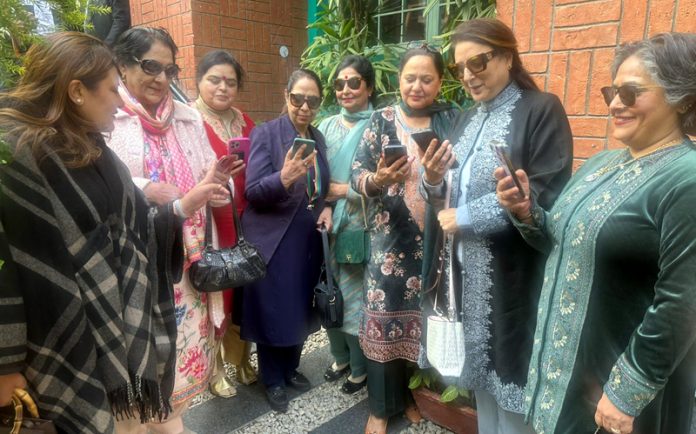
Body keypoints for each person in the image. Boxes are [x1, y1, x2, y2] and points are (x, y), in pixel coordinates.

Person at [0, 32, 227, 433]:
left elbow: (135, 227)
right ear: (75, 91)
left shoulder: (93, 148)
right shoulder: (16, 157)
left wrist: (180, 208)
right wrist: (6, 364)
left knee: (135, 421)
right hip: (58, 338)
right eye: (110, 89)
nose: (121, 102)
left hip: (116, 330)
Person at [496, 32, 696, 434]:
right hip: (566, 372)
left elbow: (682, 302)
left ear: (682, 98)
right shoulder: (601, 163)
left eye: (630, 91)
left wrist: (627, 392)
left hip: (618, 390)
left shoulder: (686, 179)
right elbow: (562, 242)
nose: (615, 103)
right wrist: (527, 212)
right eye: (611, 91)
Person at [419, 18, 573, 433]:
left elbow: (545, 193)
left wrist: (466, 218)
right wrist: (431, 178)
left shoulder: (541, 110)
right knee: (483, 387)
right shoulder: (467, 119)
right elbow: (444, 192)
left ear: (507, 55)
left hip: (513, 278)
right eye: (459, 68)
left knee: (513, 385)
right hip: (464, 277)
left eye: (479, 62)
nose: (469, 75)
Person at [107, 26, 242, 433]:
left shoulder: (187, 118)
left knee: (176, 376)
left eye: (170, 69)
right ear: (123, 66)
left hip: (186, 268)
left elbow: (209, 177)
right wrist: (147, 188)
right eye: (151, 67)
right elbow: (100, 187)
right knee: (135, 381)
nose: (162, 79)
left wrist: (219, 186)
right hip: (133, 270)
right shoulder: (107, 117)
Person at [350, 46, 457, 434]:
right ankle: (379, 408)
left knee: (422, 324)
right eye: (410, 77)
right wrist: (379, 180)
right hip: (389, 247)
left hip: (435, 246)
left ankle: (409, 395)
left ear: (440, 82)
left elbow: (463, 174)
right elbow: (357, 175)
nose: (417, 85)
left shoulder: (451, 121)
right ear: (398, 79)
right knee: (383, 322)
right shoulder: (381, 119)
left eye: (427, 78)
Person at [240, 68, 332, 413]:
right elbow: (252, 191)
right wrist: (282, 178)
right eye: (298, 99)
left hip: (308, 238)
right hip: (275, 239)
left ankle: (291, 367)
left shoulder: (318, 138)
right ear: (286, 96)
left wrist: (328, 207)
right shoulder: (266, 134)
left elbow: (322, 185)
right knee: (274, 309)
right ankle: (273, 378)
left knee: (299, 307)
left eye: (312, 101)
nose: (304, 107)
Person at [193, 49, 258, 397]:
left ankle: (242, 358)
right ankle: (214, 367)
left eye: (230, 82)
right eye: (214, 80)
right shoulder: (188, 120)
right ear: (199, 81)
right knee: (219, 294)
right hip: (211, 223)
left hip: (248, 219)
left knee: (246, 292)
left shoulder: (245, 120)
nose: (223, 88)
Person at [317, 55, 375, 394]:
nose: (346, 89)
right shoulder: (325, 126)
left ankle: (359, 367)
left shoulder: (380, 124)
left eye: (354, 82)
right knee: (328, 295)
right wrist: (324, 201)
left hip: (360, 225)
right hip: (326, 225)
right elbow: (316, 175)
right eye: (339, 84)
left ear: (368, 86)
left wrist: (342, 190)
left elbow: (386, 183)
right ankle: (338, 357)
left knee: (354, 301)